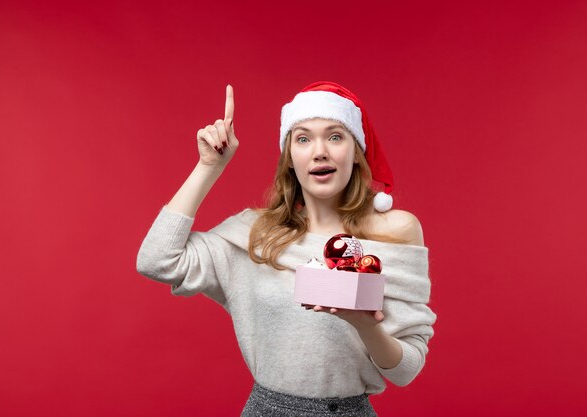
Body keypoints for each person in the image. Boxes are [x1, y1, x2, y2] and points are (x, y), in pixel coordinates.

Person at [136, 81, 437, 417]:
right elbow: (157, 260)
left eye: (335, 136)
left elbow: (406, 370)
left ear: (355, 152)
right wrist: (209, 167)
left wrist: (365, 325)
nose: (319, 150)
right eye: (303, 138)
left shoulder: (394, 231)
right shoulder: (256, 235)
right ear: (290, 158)